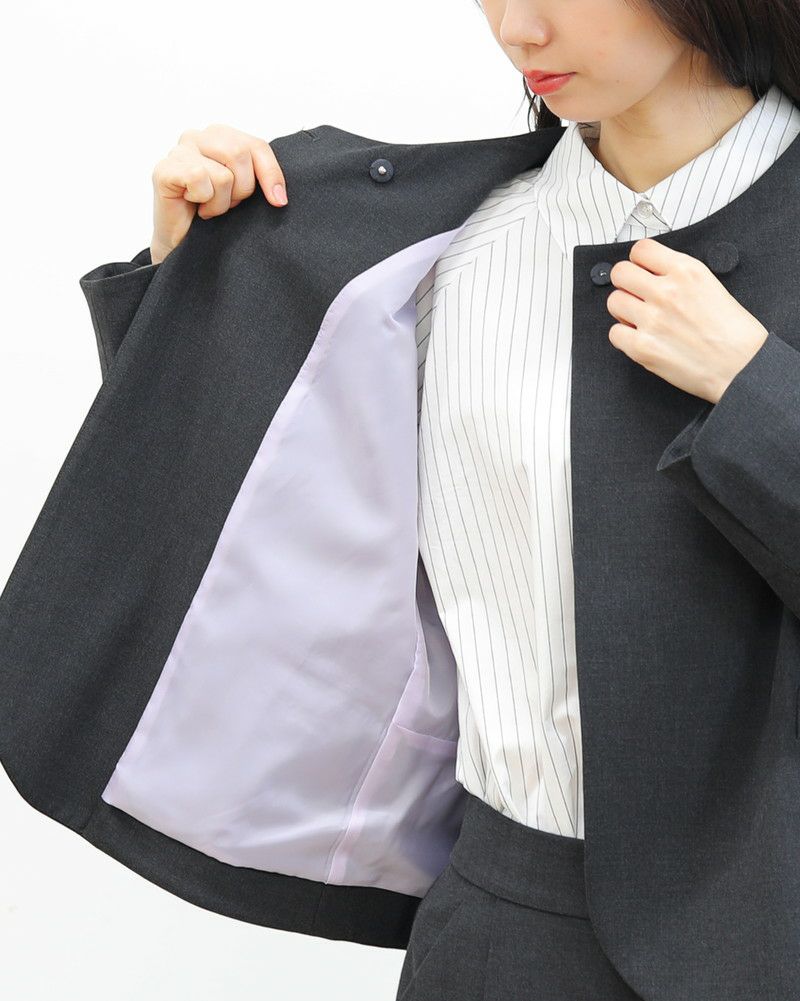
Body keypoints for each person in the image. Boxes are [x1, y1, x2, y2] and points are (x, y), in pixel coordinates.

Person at [8, 1, 800, 998]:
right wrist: (197, 289)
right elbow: (253, 533)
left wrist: (754, 389)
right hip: (500, 930)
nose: (517, 28)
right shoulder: (436, 251)